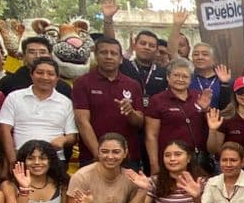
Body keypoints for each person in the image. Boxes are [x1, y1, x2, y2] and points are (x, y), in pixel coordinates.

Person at [71, 35, 146, 168]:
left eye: (114, 53)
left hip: (128, 157)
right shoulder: (82, 83)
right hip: (93, 157)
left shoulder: (133, 84)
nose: (109, 57)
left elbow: (139, 122)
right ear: (96, 55)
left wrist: (130, 112)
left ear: (121, 58)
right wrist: (99, 155)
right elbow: (82, 122)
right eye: (104, 52)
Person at [0, 57, 77, 167]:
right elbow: (4, 129)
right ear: (31, 75)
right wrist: (12, 159)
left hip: (54, 159)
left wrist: (64, 139)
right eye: (40, 72)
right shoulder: (14, 97)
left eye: (50, 74)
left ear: (57, 78)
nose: (45, 77)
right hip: (22, 157)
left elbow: (72, 135)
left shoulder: (66, 102)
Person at [143, 59, 205, 170]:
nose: (180, 79)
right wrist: (154, 165)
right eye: (176, 75)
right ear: (168, 77)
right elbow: (151, 136)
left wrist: (206, 109)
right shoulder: (157, 100)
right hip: (170, 160)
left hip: (197, 159)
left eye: (185, 76)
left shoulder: (198, 97)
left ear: (191, 80)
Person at [206, 75, 244, 169]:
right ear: (235, 94)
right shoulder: (226, 116)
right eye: (240, 91)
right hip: (225, 167)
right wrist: (212, 130)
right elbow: (213, 150)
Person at [0, 35, 74, 97]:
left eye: (42, 52)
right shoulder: (7, 82)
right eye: (32, 52)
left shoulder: (63, 87)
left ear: (50, 55)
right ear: (24, 55)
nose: (37, 56)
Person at [120, 28, 168, 96]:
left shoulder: (163, 72)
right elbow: (110, 45)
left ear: (156, 50)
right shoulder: (125, 67)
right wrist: (108, 20)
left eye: (151, 46)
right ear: (135, 46)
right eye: (143, 43)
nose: (147, 47)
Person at [188, 43, 228, 110]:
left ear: (214, 59)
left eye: (205, 54)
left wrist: (225, 83)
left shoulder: (225, 81)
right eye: (196, 54)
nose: (200, 57)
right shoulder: (187, 80)